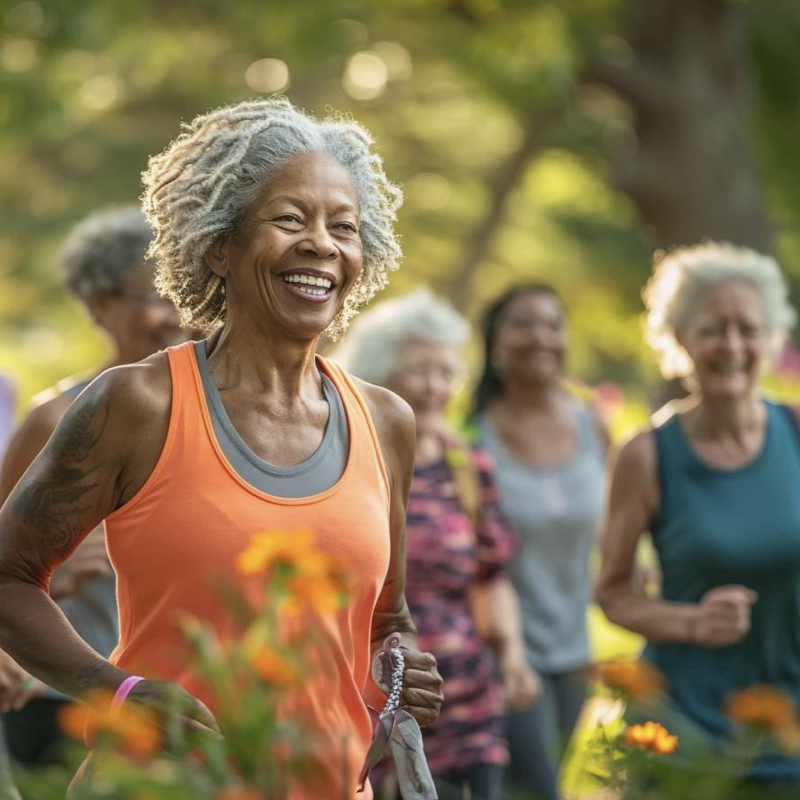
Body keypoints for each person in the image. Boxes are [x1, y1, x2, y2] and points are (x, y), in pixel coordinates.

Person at [0, 97, 443, 800]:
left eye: (344, 226)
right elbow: (8, 577)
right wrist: (116, 692)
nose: (322, 244)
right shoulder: (138, 405)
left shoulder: (386, 421)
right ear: (217, 246)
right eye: (289, 219)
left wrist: (403, 665)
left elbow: (386, 618)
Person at [595, 242, 800, 792]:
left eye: (748, 329)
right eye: (713, 328)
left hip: (788, 731)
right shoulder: (646, 454)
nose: (732, 345)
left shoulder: (797, 431)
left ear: (770, 337)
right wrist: (691, 622)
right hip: (680, 729)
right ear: (680, 338)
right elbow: (611, 592)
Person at [336, 289, 539, 800]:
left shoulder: (466, 467)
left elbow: (490, 576)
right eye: (418, 372)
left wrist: (512, 655)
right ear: (378, 375)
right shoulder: (346, 465)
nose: (434, 388)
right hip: (377, 704)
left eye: (445, 373)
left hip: (469, 703)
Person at [0, 207, 185, 769]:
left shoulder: (226, 413)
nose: (174, 314)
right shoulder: (57, 417)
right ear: (100, 306)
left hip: (193, 698)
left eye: (184, 290)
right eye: (152, 295)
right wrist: (52, 573)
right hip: (68, 701)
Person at [472, 284, 609, 800]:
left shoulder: (591, 422)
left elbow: (615, 524)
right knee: (543, 788)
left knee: (538, 786)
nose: (541, 337)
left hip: (575, 647)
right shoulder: (473, 435)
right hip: (504, 648)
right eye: (523, 324)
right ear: (495, 343)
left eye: (552, 324)